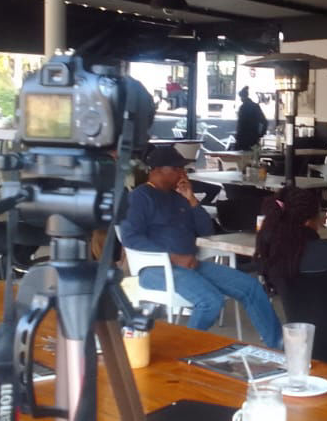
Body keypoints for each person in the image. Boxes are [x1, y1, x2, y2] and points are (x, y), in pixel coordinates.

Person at [119, 146, 282, 348]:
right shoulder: (140, 197)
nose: (182, 173)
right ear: (158, 170)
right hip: (155, 269)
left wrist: (192, 199)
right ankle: (184, 353)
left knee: (251, 287)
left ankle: (278, 346)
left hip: (191, 264)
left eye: (182, 168)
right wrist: (174, 258)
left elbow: (206, 230)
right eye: (177, 169)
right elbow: (130, 238)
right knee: (210, 301)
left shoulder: (179, 197)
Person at [233, 86, 268, 151]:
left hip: (242, 138)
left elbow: (240, 125)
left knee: (240, 155)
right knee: (252, 155)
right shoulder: (255, 106)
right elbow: (264, 122)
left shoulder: (242, 108)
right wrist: (261, 134)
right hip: (253, 138)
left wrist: (237, 136)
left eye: (241, 97)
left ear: (242, 97)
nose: (240, 99)